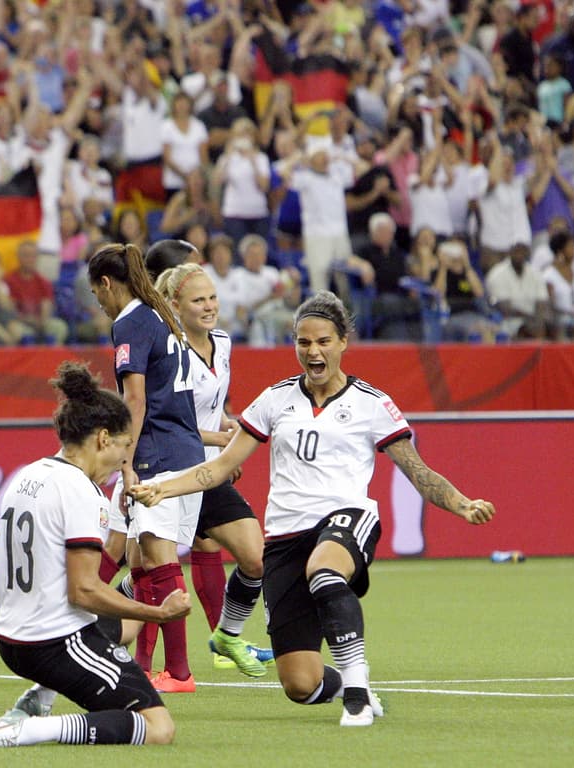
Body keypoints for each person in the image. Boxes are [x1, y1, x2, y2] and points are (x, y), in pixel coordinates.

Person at [131, 292, 495, 726]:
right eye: (304, 343)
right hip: (285, 539)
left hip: (347, 519)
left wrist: (462, 504)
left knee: (324, 572)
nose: (313, 351)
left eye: (323, 341)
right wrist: (162, 489)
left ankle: (356, 693)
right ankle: (348, 684)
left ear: (343, 342)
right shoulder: (274, 400)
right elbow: (221, 467)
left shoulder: (371, 403)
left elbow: (418, 472)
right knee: (300, 685)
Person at [0, 362, 191, 748]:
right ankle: (28, 730)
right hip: (53, 642)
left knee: (126, 626)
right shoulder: (82, 492)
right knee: (157, 727)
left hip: (11, 638)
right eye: (123, 448)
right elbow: (83, 592)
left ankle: (37, 699)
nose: (123, 462)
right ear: (103, 438)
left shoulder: (29, 474)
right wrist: (159, 614)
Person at [86, 242, 206, 693]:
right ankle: (142, 661)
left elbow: (134, 400)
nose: (96, 301)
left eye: (95, 292)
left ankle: (179, 672)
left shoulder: (130, 323)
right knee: (137, 556)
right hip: (184, 450)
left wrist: (125, 460)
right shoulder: (160, 315)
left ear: (105, 283)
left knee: (158, 558)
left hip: (157, 453)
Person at [153, 262, 271, 678]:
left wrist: (226, 426)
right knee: (144, 569)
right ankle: (113, 637)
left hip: (208, 471)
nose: (209, 307)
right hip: (172, 471)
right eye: (198, 300)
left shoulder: (222, 343)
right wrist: (222, 444)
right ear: (175, 306)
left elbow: (210, 407)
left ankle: (227, 636)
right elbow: (167, 418)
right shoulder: (168, 350)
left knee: (256, 558)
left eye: (212, 298)